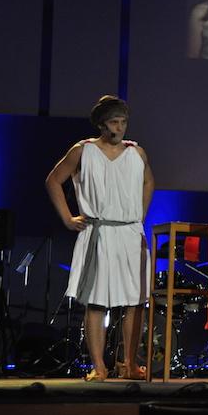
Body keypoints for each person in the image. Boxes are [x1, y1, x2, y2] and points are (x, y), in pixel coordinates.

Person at [46, 95, 154, 381]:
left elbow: (148, 181)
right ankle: (99, 367)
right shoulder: (83, 151)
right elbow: (54, 180)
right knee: (96, 301)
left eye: (123, 122)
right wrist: (68, 218)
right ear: (102, 125)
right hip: (98, 232)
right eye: (114, 122)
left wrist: (140, 214)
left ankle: (130, 364)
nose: (120, 128)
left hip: (130, 233)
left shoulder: (136, 152)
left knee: (135, 301)